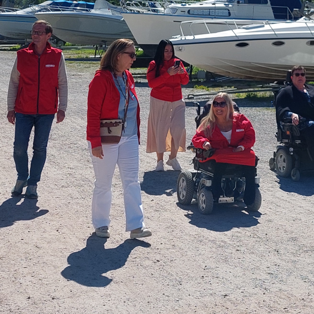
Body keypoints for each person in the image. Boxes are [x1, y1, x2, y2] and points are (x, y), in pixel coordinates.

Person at [87, 39, 150, 239]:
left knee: (132, 181)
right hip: (106, 138)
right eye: (130, 54)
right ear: (117, 55)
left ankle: (136, 226)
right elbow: (93, 113)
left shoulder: (128, 77)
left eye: (134, 54)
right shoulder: (101, 79)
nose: (134, 58)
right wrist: (95, 142)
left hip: (129, 136)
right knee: (104, 182)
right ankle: (101, 224)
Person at [6, 20, 67, 200]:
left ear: (49, 35)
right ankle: (21, 177)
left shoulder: (57, 56)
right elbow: (14, 83)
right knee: (19, 147)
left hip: (47, 111)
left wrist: (62, 108)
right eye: (34, 32)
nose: (35, 35)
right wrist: (11, 108)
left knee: (40, 148)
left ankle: (33, 184)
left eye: (40, 32)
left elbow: (62, 83)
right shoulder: (22, 55)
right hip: (23, 110)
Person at [191, 92, 257, 207]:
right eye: (215, 104)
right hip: (218, 152)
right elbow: (197, 138)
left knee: (251, 156)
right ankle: (216, 187)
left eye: (222, 104)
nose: (218, 107)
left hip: (237, 151)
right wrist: (204, 142)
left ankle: (250, 189)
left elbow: (250, 136)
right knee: (221, 157)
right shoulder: (208, 122)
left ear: (229, 106)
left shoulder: (241, 120)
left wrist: (242, 146)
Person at [146, 39, 189, 172]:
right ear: (161, 51)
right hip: (160, 99)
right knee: (161, 129)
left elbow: (186, 81)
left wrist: (182, 73)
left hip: (177, 99)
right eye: (166, 51)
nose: (169, 53)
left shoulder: (178, 63)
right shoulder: (154, 64)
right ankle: (159, 161)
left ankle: (172, 158)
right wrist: (167, 74)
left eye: (170, 51)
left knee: (179, 127)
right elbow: (151, 84)